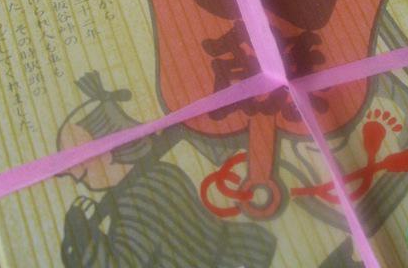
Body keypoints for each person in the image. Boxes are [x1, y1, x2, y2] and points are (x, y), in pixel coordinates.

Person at [56, 71, 276, 267]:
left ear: (111, 153)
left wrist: (82, 239)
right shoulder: (160, 174)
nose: (77, 179)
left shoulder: (140, 199)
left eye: (82, 171)